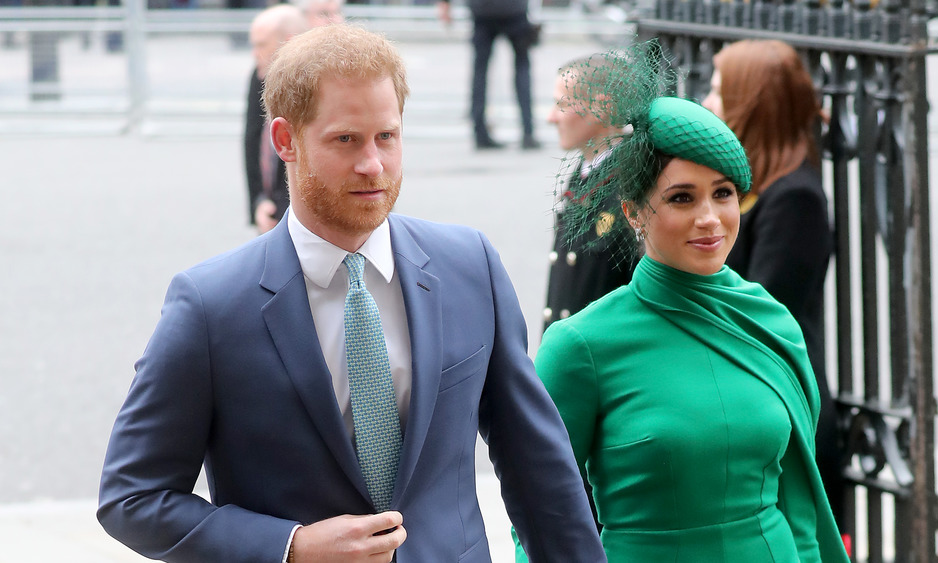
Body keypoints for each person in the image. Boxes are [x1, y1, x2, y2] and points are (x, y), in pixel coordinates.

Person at [98, 24, 607, 563]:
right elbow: (132, 496)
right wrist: (290, 547)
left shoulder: (469, 266)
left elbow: (539, 467)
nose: (373, 164)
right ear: (284, 141)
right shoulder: (209, 305)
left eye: (386, 136)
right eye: (346, 139)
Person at [516, 40, 849, 562]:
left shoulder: (770, 320)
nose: (710, 218)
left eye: (722, 193)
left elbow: (801, 506)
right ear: (633, 212)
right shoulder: (581, 345)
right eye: (681, 198)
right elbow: (542, 516)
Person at [702, 38, 847, 539]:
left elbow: (760, 313)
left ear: (752, 102)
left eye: (720, 91)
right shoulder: (750, 186)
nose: (707, 103)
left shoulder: (796, 198)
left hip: (780, 412)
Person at [542, 55, 637, 333]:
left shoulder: (628, 185)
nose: (551, 117)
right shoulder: (585, 172)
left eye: (561, 104)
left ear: (603, 108)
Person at [436, 0, 540, 150]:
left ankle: (480, 132)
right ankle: (528, 132)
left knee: (480, 72)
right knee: (522, 67)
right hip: (514, 10)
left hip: (482, 10)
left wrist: (444, 4)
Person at [244, 4, 308, 234]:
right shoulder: (259, 74)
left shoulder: (316, 85)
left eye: (261, 45)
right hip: (270, 210)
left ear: (288, 42)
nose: (254, 53)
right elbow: (252, 142)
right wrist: (258, 202)